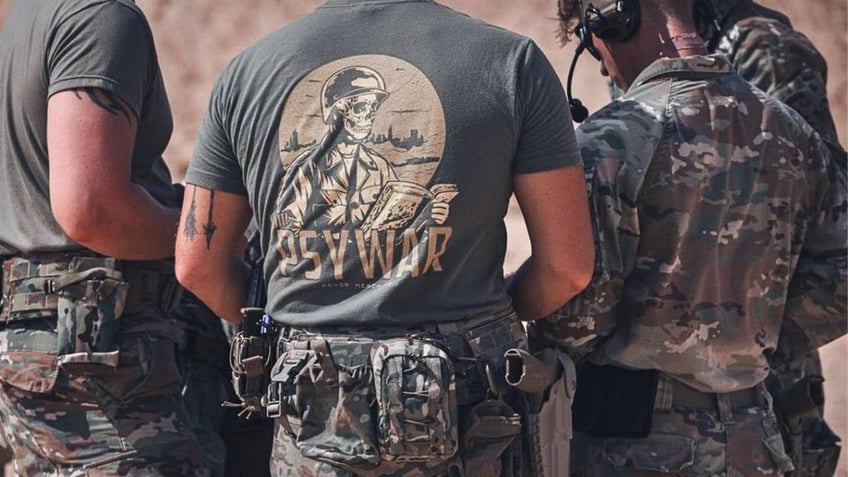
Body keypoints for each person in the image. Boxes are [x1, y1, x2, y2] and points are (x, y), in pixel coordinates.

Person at [174, 0, 595, 475]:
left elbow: (198, 264)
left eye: (372, 106)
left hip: (315, 421)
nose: (367, 116)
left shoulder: (247, 74)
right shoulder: (511, 62)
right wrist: (489, 325)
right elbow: (569, 267)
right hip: (468, 417)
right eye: (358, 106)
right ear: (335, 109)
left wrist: (289, 324)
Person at [535, 0, 847, 475]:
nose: (597, 58)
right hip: (757, 436)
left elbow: (573, 322)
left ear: (613, 15)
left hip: (634, 443)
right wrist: (744, 343)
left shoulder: (606, 144)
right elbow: (840, 276)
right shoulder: (789, 130)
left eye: (588, 35)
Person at [0, 0, 206, 475]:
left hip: (46, 347)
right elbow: (93, 209)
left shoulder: (31, 15)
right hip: (94, 357)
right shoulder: (99, 16)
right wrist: (203, 238)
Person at [694, 1, 846, 474]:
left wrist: (744, 341)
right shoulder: (664, 50)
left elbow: (827, 225)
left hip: (764, 392)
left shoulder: (764, 50)